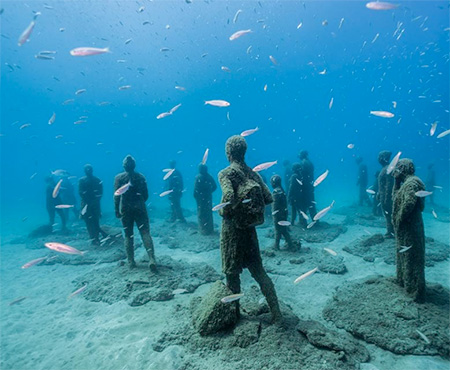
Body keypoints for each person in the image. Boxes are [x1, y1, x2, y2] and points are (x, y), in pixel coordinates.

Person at [218, 135, 282, 323]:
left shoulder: (225, 173)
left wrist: (224, 212)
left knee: (232, 273)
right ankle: (277, 314)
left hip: (232, 231)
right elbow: (269, 198)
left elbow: (228, 195)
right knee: (259, 272)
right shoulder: (253, 173)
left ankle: (236, 315)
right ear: (244, 152)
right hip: (249, 230)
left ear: (228, 152)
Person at [114, 155, 157, 271]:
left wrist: (116, 210)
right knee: (145, 232)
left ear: (124, 166)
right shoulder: (140, 177)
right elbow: (146, 195)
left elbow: (117, 196)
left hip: (125, 209)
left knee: (128, 235)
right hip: (140, 207)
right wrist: (138, 202)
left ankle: (131, 261)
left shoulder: (119, 178)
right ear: (134, 166)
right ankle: (152, 259)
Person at [392, 158, 426, 303]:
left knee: (412, 257)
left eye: (398, 168)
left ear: (404, 168)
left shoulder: (411, 184)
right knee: (405, 254)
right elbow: (395, 198)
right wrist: (396, 182)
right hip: (407, 226)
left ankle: (415, 290)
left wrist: (399, 219)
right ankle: (405, 282)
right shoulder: (406, 183)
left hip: (409, 227)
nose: (395, 171)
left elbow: (409, 203)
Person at [79, 164, 106, 245]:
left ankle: (95, 238)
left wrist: (91, 201)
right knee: (90, 221)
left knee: (93, 221)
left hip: (90, 203)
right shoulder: (95, 180)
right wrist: (93, 201)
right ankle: (94, 238)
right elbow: (81, 192)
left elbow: (100, 193)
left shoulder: (95, 180)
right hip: (91, 203)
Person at [270, 175, 297, 251]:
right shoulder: (282, 190)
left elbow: (275, 205)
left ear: (274, 183)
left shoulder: (276, 192)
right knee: (284, 230)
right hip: (283, 213)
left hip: (278, 215)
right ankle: (289, 244)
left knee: (278, 230)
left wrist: (274, 214)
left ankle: (277, 245)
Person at [193, 164, 217, 235]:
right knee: (208, 213)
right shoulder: (209, 176)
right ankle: (209, 229)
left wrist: (198, 196)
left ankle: (203, 230)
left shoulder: (198, 177)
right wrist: (208, 193)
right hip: (208, 198)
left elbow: (195, 189)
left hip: (200, 198)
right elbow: (215, 186)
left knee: (201, 213)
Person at [377, 151, 394, 237]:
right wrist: (379, 193)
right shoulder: (385, 169)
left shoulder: (388, 169)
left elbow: (389, 185)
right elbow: (382, 184)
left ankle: (390, 231)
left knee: (388, 214)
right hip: (383, 196)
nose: (378, 159)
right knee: (386, 214)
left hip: (386, 197)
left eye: (380, 157)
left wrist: (387, 197)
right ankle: (390, 231)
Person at [298, 150, 317, 222]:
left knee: (304, 204)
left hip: (305, 186)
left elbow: (302, 175)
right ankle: (315, 220)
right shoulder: (310, 162)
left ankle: (303, 222)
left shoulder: (303, 163)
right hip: (310, 185)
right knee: (311, 203)